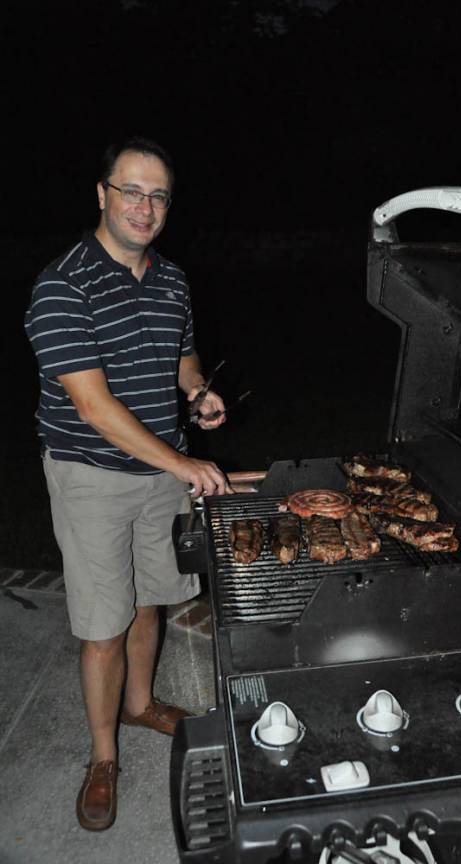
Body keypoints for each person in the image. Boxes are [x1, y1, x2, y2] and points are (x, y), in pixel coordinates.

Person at [25, 136, 231, 832]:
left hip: (160, 474)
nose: (145, 206)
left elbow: (181, 351)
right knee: (104, 624)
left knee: (152, 603)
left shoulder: (171, 278)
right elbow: (92, 405)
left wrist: (197, 391)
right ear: (102, 194)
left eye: (159, 194)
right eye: (132, 190)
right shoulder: (62, 285)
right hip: (94, 477)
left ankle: (142, 705)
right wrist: (183, 464)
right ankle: (104, 756)